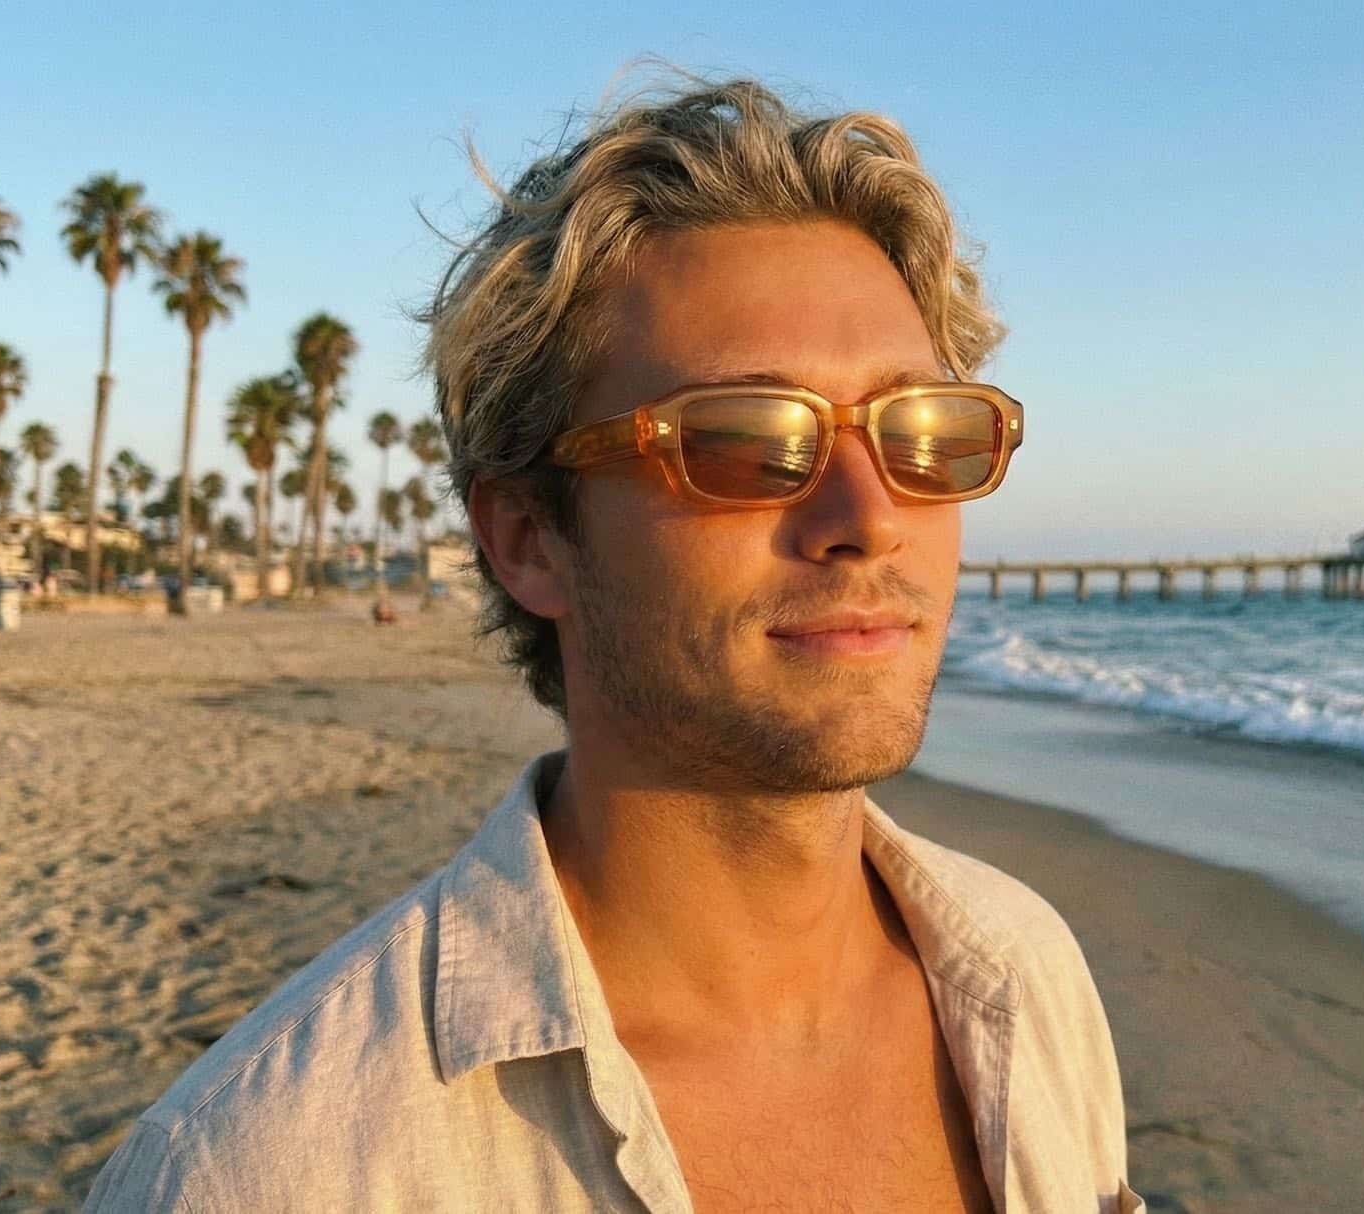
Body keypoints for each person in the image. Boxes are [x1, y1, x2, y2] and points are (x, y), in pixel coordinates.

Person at [86, 75, 1137, 1213]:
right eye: (742, 440)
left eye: (924, 432)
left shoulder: (1025, 976)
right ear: (528, 538)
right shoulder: (267, 1169)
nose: (869, 516)